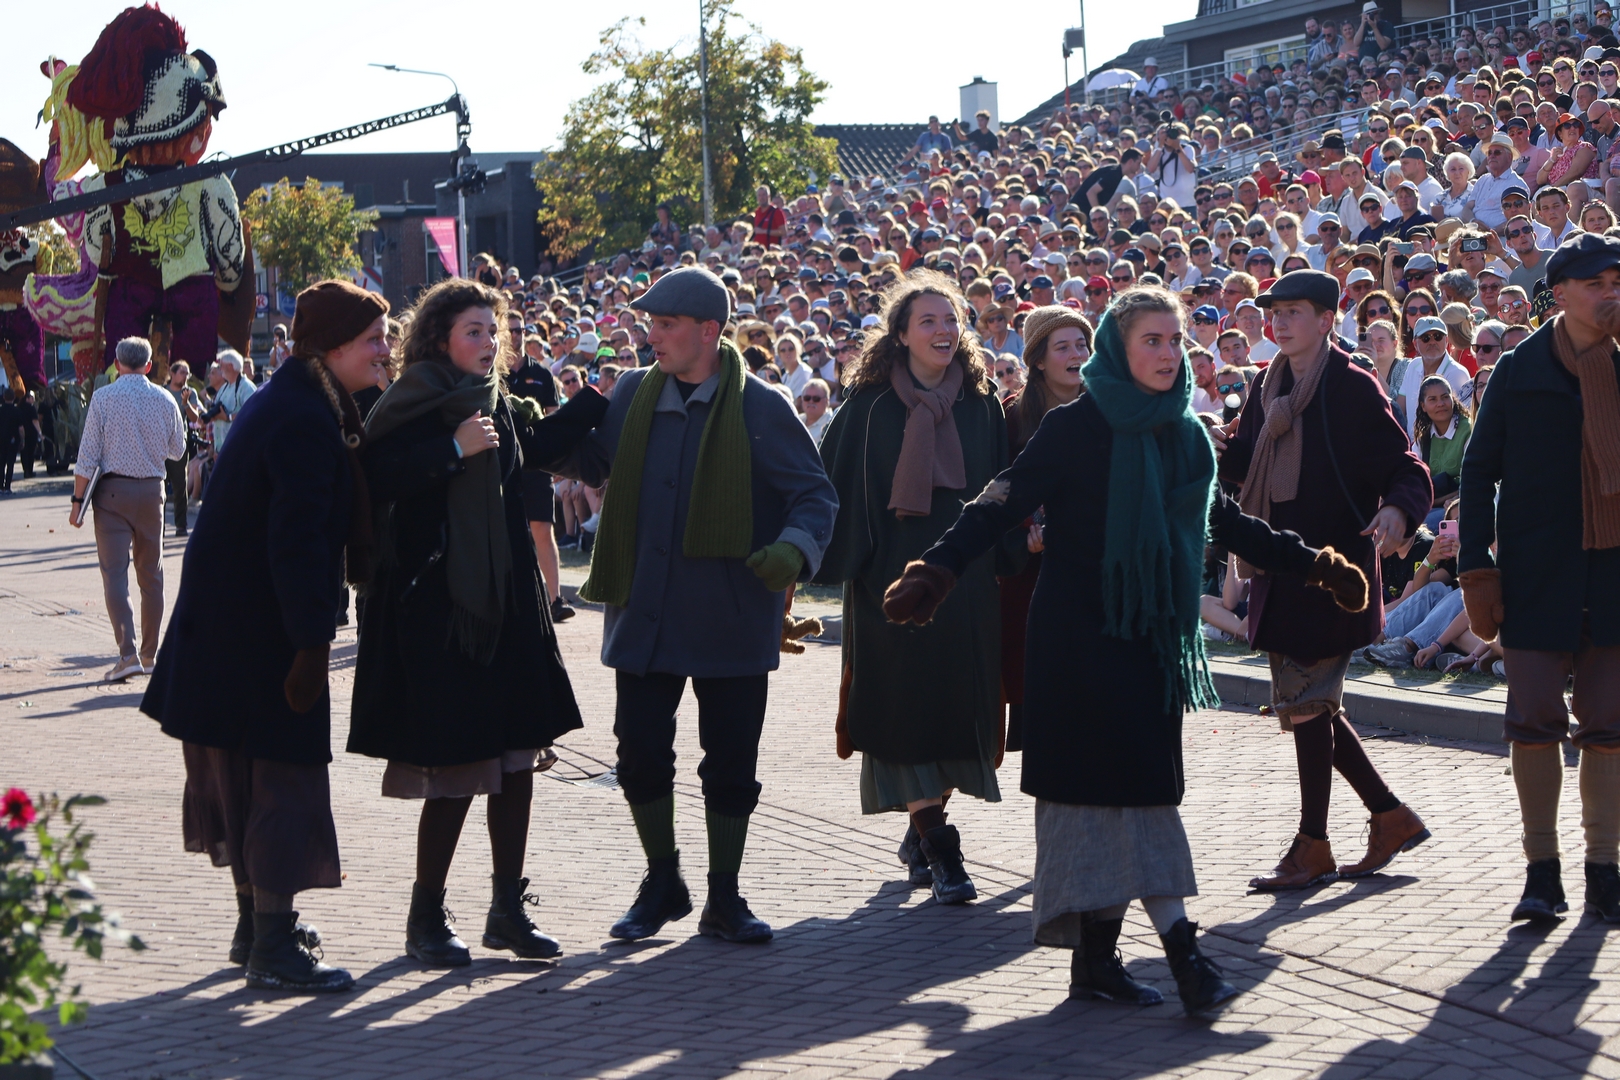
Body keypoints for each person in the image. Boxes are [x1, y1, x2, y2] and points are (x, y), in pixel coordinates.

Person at [882, 285, 1368, 1014]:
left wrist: (1316, 565)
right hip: (1075, 646)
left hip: (1150, 646)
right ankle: (1184, 957)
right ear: (1119, 347)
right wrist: (937, 570)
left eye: (1176, 341)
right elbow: (999, 502)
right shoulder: (1075, 426)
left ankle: (1097, 964)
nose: (1169, 354)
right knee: (1108, 802)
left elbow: (1227, 522)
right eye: (1152, 341)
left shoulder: (1184, 435)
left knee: (1134, 795)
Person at [561, 266, 837, 945]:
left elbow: (815, 495)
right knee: (639, 755)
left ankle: (724, 896)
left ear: (709, 331)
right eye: (650, 323)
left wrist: (794, 549)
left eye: (666, 324)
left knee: (731, 764)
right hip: (646, 612)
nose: (651, 335)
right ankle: (663, 881)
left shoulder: (761, 406)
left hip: (730, 615)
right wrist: (560, 434)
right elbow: (600, 464)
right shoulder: (633, 391)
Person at [140, 280, 391, 993]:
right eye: (373, 339)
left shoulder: (290, 401)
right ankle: (274, 946)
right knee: (282, 782)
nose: (385, 350)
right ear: (333, 346)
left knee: (247, 780)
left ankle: (256, 929)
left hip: (228, 635)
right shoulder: (303, 417)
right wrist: (312, 646)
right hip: (259, 638)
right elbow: (297, 543)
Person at [349, 279, 608, 968]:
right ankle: (426, 915)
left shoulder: (496, 400)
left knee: (518, 760)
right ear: (439, 338)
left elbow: (541, 444)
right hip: (441, 612)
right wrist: (451, 450)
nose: (490, 343)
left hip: (510, 603)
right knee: (459, 767)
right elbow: (375, 479)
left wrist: (600, 399)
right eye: (475, 331)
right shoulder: (408, 401)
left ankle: (506, 910)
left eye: (495, 331)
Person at [1218, 271, 1435, 889]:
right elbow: (1246, 462)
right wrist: (1211, 449)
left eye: (1294, 311)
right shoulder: (1267, 383)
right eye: (1275, 311)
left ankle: (1313, 843)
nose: (1280, 322)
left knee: (1308, 704)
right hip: (1281, 566)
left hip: (1336, 573)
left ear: (1325, 320)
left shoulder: (1351, 384)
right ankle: (1389, 816)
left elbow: (1407, 466)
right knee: (1307, 705)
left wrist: (1398, 510)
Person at [815, 270, 1008, 906]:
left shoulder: (981, 405)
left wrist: (1008, 553)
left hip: (965, 585)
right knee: (902, 712)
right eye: (928, 321)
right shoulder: (867, 408)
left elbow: (1002, 489)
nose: (943, 330)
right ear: (900, 334)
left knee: (955, 713)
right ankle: (943, 852)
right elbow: (834, 492)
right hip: (888, 590)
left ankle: (923, 827)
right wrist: (855, 567)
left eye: (952, 320)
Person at [1460, 232, 1620, 924]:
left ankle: (1605, 872)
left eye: (1618, 282)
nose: (1611, 294)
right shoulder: (1519, 368)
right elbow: (1476, 472)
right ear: (1559, 294)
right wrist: (1476, 566)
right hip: (1534, 573)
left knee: (1609, 726)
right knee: (1532, 724)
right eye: (1596, 283)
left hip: (1612, 573)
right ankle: (1541, 874)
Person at [71, 337, 186, 682]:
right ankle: (150, 655)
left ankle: (127, 653)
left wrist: (77, 503)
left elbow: (87, 456)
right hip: (152, 493)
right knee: (152, 576)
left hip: (112, 496)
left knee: (115, 575)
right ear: (149, 365)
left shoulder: (103, 398)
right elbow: (178, 450)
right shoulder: (165, 399)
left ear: (117, 364)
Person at [164, 361, 202, 536]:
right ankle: (159, 528)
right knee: (161, 486)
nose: (185, 376)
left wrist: (186, 403)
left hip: (180, 443)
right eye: (182, 372)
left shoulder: (190, 392)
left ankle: (181, 525)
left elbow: (195, 419)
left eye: (187, 373)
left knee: (180, 485)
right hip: (161, 443)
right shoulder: (162, 391)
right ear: (172, 373)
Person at [209, 350, 255, 452]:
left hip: (239, 450)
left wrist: (228, 417)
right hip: (222, 450)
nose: (220, 369)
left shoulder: (246, 387)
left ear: (230, 366)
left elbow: (253, 414)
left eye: (221, 365)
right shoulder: (224, 388)